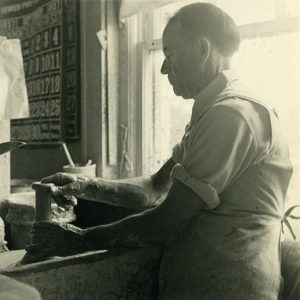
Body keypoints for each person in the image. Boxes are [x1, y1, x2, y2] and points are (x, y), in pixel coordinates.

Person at [26, 3, 294, 299]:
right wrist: (88, 186)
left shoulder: (232, 115)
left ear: (203, 50)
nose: (164, 67)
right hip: (204, 282)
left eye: (170, 54)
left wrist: (78, 240)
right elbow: (154, 188)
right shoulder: (210, 110)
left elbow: (166, 221)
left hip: (231, 286)